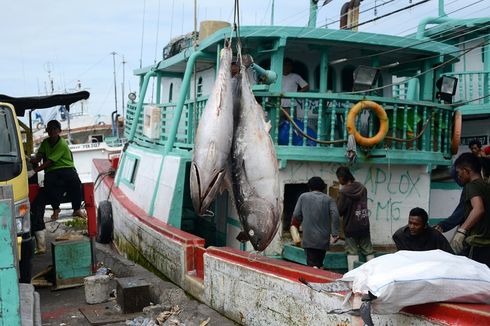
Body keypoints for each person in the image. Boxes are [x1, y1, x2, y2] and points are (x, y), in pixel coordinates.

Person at [29, 120, 86, 221]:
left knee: (75, 181)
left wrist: (34, 171)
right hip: (51, 170)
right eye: (50, 129)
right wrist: (31, 160)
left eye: (55, 129)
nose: (52, 131)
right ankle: (56, 209)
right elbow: (39, 156)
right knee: (49, 183)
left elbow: (50, 161)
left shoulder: (62, 144)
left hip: (66, 167)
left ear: (59, 131)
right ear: (47, 131)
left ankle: (76, 209)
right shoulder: (45, 143)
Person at [291, 176, 340, 268]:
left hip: (309, 237)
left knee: (312, 264)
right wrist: (335, 233)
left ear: (309, 187)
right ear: (323, 187)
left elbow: (296, 215)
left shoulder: (303, 197)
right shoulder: (329, 199)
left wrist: (295, 229)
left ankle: (314, 277)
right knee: (319, 262)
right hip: (323, 238)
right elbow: (335, 215)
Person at [451, 153, 490, 267]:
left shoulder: (471, 186)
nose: (458, 177)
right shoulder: (486, 186)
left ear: (466, 170)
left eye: (458, 173)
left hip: (478, 243)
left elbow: (478, 209)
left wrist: (461, 231)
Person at [335, 166, 374, 270]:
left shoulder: (344, 192)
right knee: (368, 250)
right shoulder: (362, 188)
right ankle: (373, 274)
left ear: (342, 178)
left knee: (352, 252)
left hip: (351, 226)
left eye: (339, 178)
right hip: (364, 224)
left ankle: (352, 277)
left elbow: (339, 211)